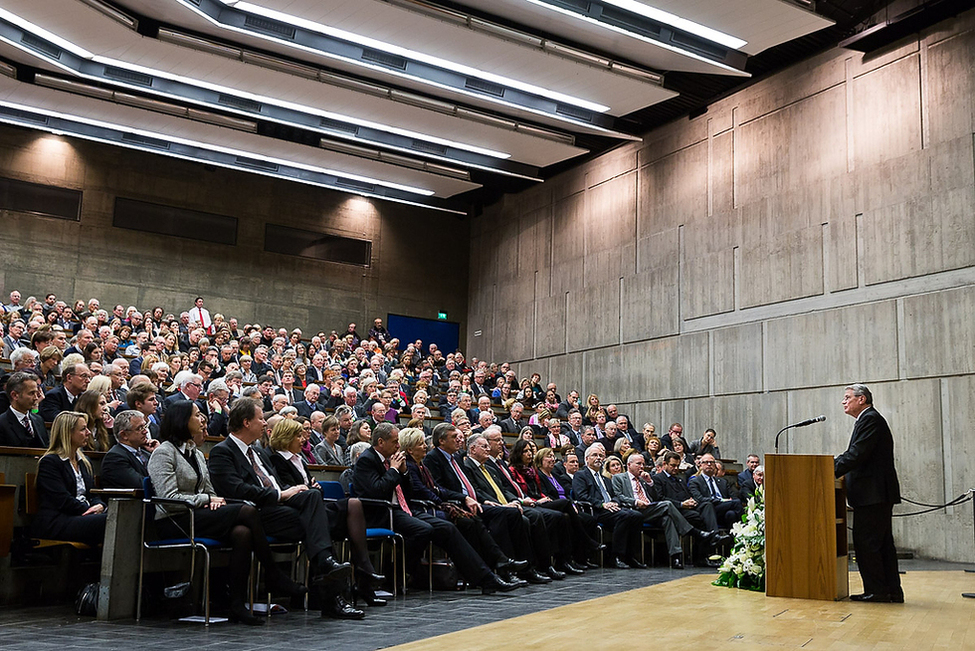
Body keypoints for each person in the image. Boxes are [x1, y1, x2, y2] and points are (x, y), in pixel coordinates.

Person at [147, 400, 306, 625]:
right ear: (181, 420)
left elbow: (210, 490)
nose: (202, 419)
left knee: (243, 533)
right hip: (176, 519)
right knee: (247, 511)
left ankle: (237, 605)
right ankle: (273, 573)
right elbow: (169, 499)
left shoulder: (196, 452)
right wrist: (207, 499)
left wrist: (213, 500)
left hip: (200, 514)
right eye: (196, 415)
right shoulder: (163, 453)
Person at [207, 398, 363, 620]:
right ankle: (333, 592)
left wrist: (292, 490)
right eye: (261, 418)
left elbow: (276, 481)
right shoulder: (222, 451)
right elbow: (236, 490)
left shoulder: (258, 452)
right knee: (321, 523)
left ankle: (328, 575)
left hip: (282, 507)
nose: (264, 423)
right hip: (257, 512)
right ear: (246, 422)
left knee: (314, 506)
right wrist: (281, 494)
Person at [352, 422, 517, 594]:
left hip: (402, 509)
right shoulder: (367, 460)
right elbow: (376, 491)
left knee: (448, 528)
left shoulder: (391, 460)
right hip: (382, 513)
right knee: (422, 530)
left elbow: (408, 492)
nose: (398, 445)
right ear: (380, 442)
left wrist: (403, 472)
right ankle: (396, 573)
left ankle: (486, 579)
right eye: (394, 442)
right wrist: (394, 470)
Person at [266, 418, 386, 607]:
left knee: (354, 504)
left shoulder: (299, 459)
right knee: (336, 523)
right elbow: (292, 490)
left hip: (313, 506)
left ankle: (363, 569)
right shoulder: (276, 459)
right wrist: (311, 488)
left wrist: (312, 488)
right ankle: (357, 582)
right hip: (297, 511)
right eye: (298, 436)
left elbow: (310, 488)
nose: (304, 440)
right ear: (286, 437)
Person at [835, 383, 903, 603]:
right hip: (875, 494)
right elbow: (855, 454)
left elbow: (856, 454)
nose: (843, 401)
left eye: (847, 397)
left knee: (868, 544)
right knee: (882, 545)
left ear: (861, 399)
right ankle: (891, 591)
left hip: (872, 494)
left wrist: (828, 468)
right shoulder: (867, 419)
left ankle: (878, 591)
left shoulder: (870, 419)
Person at [611, 453, 727, 569]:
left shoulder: (643, 480)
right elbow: (619, 496)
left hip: (650, 508)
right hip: (634, 510)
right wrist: (635, 502)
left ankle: (676, 557)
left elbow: (654, 497)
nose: (641, 467)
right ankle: (694, 532)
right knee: (667, 504)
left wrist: (649, 483)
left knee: (668, 519)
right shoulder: (619, 478)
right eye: (638, 464)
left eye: (643, 464)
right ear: (629, 464)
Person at [33, 411, 107, 546]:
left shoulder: (85, 462)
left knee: (118, 518)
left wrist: (100, 506)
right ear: (68, 433)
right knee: (110, 521)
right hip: (59, 520)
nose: (89, 433)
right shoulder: (50, 462)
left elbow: (93, 493)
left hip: (82, 516)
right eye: (83, 429)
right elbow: (62, 500)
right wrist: (89, 510)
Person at [571, 443, 644, 569]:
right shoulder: (581, 475)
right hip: (596, 511)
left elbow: (614, 495)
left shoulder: (605, 478)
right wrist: (602, 504)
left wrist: (614, 502)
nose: (598, 457)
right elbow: (581, 496)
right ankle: (616, 556)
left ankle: (631, 556)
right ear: (587, 459)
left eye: (600, 455)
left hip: (612, 509)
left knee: (637, 515)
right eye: (594, 455)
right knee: (624, 516)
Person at [100, 410, 152, 489]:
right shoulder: (115, 458)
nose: (145, 431)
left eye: (145, 426)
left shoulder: (147, 454)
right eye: (140, 428)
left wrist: (157, 451)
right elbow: (141, 485)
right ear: (124, 435)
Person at [0, 371, 48, 448]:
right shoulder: (2, 423)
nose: (36, 398)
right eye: (31, 393)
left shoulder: (38, 420)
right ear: (15, 395)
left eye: (36, 393)